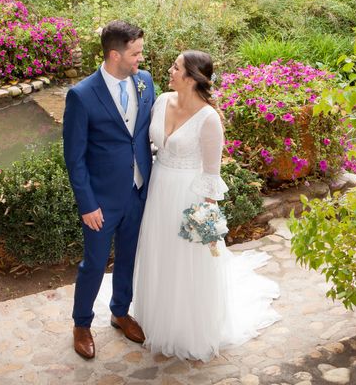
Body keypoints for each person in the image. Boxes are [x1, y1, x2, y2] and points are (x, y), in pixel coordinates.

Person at [132, 50, 281, 362]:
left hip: (189, 195)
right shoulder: (161, 102)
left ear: (190, 78)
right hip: (159, 190)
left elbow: (212, 175)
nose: (169, 71)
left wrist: (206, 220)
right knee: (160, 251)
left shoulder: (209, 119)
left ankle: (186, 327)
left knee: (189, 258)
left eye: (175, 67)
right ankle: (157, 315)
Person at [62, 20, 155, 359]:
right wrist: (87, 204)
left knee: (129, 257)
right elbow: (74, 158)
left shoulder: (144, 82)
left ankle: (120, 312)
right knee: (95, 263)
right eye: (136, 53)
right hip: (101, 200)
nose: (140, 59)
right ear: (114, 54)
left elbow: (144, 134)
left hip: (139, 192)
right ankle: (81, 323)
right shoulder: (82, 96)